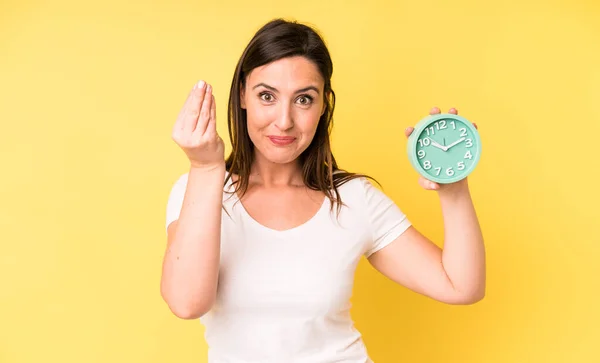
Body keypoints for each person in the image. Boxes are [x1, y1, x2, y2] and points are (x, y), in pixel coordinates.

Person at [161, 18, 485, 363]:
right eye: (267, 96)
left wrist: (452, 185)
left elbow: (460, 285)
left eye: (303, 99)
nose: (284, 121)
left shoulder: (353, 199)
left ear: (323, 105)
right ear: (242, 95)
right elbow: (186, 302)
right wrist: (207, 168)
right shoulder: (199, 190)